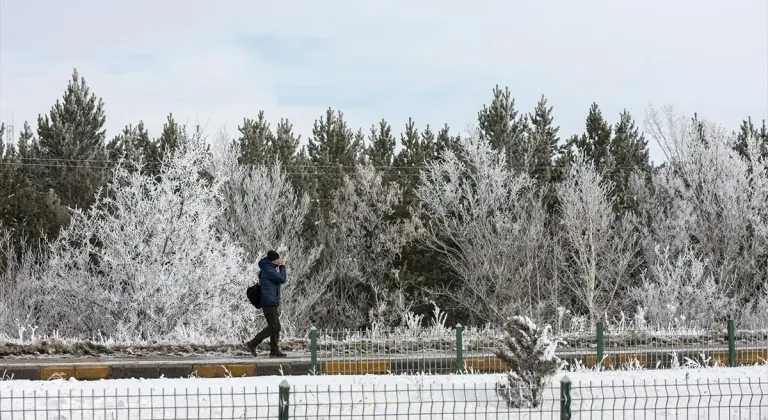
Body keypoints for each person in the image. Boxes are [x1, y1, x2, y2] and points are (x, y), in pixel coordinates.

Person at [245, 250, 287, 358]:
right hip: (269, 302)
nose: (279, 260)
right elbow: (282, 279)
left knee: (276, 326)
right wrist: (282, 268)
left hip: (270, 301)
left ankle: (274, 350)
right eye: (278, 259)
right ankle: (252, 343)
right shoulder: (269, 270)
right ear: (273, 260)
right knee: (273, 326)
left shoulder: (268, 269)